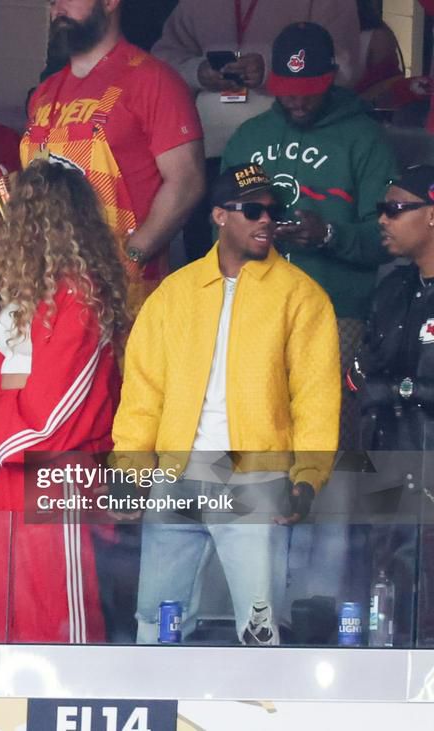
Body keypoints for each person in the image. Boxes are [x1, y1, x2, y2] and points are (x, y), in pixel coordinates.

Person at [112, 163, 340, 645]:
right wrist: (131, 472)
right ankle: (164, 715)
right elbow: (142, 395)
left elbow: (316, 400)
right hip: (176, 472)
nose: (266, 221)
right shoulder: (173, 294)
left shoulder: (301, 296)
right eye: (252, 210)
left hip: (258, 473)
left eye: (272, 212)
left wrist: (307, 478)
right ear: (219, 215)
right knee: (155, 623)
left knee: (260, 629)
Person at [0, 159, 128, 643]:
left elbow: (53, 413)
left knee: (59, 624)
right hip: (2, 468)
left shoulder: (80, 295)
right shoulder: (30, 293)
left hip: (53, 473)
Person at [221, 21, 398, 449]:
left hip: (338, 311)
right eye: (287, 89)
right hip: (254, 307)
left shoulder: (365, 139)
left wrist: (328, 234)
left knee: (330, 436)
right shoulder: (250, 136)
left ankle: (329, 517)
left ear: (332, 77)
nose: (297, 102)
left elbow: (389, 237)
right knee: (253, 430)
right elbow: (220, 225)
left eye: (310, 89)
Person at [15, 0, 205, 313]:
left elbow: (188, 182)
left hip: (126, 292)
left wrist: (132, 257)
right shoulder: (44, 93)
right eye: (52, 2)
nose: (57, 8)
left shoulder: (153, 80)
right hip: (49, 286)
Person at [153, 0, 361, 263]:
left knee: (284, 243)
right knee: (206, 250)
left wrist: (276, 69)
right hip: (206, 145)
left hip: (286, 144)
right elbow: (162, 59)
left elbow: (346, 66)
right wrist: (197, 72)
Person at [348, 164, 434, 453]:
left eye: (394, 209)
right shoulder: (391, 289)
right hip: (388, 460)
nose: (382, 219)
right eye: (381, 209)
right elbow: (358, 375)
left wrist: (396, 389)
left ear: (432, 215)